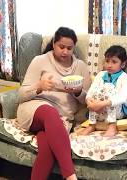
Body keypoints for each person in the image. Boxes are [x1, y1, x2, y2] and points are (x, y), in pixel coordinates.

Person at [15, 27, 91, 180]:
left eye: (69, 48)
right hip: (35, 109)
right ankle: (70, 175)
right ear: (54, 44)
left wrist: (77, 92)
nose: (65, 51)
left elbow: (88, 101)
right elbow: (21, 95)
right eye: (61, 47)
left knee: (47, 150)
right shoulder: (40, 60)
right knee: (50, 112)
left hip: (61, 118)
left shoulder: (80, 67)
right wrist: (39, 86)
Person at [79, 45, 127, 137]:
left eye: (114, 62)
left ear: (123, 64)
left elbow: (122, 98)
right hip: (99, 111)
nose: (109, 65)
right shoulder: (101, 75)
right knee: (96, 91)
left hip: (118, 112)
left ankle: (112, 125)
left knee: (109, 87)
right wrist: (90, 102)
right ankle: (92, 125)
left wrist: (102, 104)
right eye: (107, 61)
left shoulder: (125, 78)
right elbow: (91, 91)